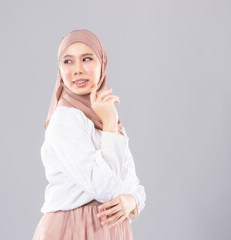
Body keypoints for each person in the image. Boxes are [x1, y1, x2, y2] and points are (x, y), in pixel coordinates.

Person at [32, 29, 146, 240]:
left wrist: (133, 200)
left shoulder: (105, 116)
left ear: (102, 63)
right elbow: (103, 187)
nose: (77, 70)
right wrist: (110, 122)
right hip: (72, 229)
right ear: (59, 69)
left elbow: (133, 183)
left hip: (112, 230)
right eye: (67, 61)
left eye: (87, 59)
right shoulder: (65, 120)